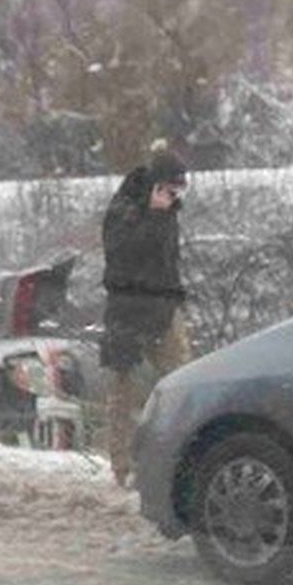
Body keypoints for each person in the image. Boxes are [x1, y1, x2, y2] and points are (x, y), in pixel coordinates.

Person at [101, 140, 192, 487]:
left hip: (164, 308)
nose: (176, 195)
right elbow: (125, 254)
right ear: (156, 185)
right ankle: (120, 466)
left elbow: (166, 260)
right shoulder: (123, 209)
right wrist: (154, 215)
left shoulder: (169, 210)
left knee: (184, 382)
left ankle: (180, 457)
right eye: (171, 188)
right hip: (127, 309)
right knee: (121, 390)